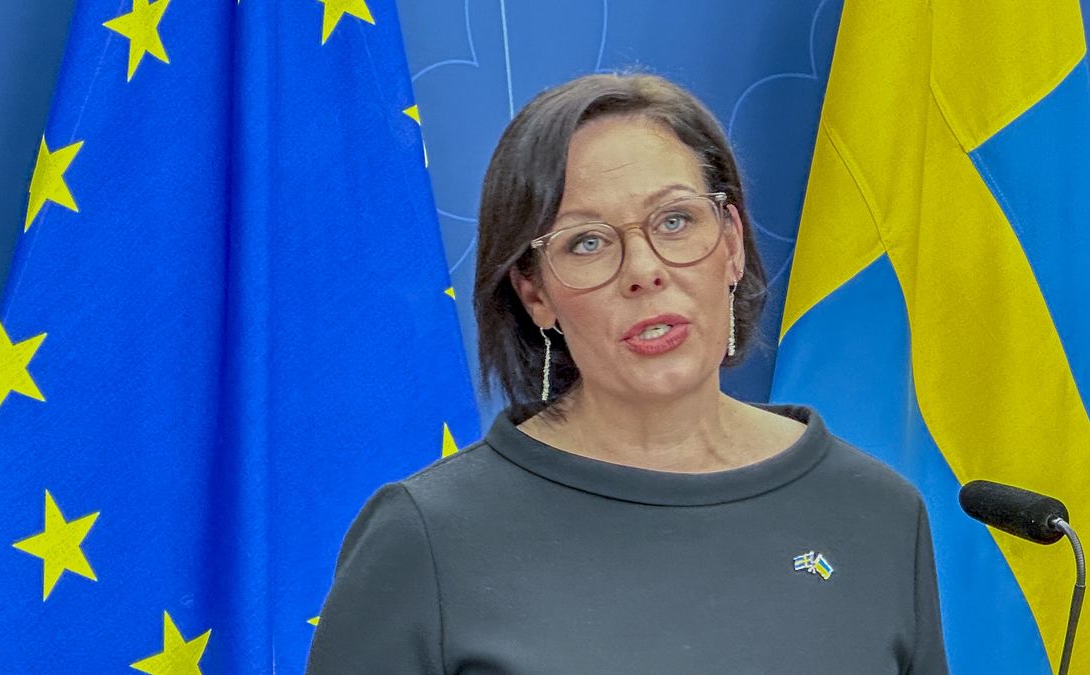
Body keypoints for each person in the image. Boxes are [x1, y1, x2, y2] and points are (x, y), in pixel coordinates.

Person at [306, 73, 948, 674]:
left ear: (731, 243)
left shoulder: (878, 513)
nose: (644, 270)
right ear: (534, 294)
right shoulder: (426, 535)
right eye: (586, 242)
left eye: (675, 221)